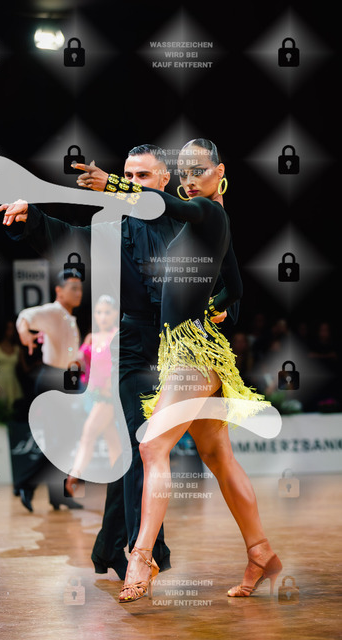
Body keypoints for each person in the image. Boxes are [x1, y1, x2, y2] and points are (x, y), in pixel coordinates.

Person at [0, 144, 237, 578]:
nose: (133, 183)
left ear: (164, 180)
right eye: (128, 175)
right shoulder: (112, 229)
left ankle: (111, 545)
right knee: (143, 441)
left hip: (184, 349)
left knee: (196, 453)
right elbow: (69, 238)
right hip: (134, 349)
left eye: (143, 176)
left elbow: (227, 282)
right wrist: (31, 217)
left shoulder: (192, 217)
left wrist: (221, 307)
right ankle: (143, 555)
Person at [83, 138, 282, 602]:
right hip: (193, 348)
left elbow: (164, 204)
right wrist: (213, 307)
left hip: (192, 354)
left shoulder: (207, 211)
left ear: (220, 172)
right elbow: (235, 287)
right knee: (218, 457)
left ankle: (141, 556)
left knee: (152, 445)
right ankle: (260, 553)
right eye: (185, 172)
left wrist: (113, 184)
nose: (190, 180)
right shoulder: (213, 221)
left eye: (199, 170)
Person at [13, 269, 84, 512]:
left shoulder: (68, 317)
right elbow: (25, 316)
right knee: (64, 440)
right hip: (51, 380)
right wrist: (24, 332)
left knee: (63, 440)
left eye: (80, 288)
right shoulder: (54, 311)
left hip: (64, 380)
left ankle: (57, 495)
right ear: (59, 291)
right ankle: (26, 484)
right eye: (73, 288)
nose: (78, 293)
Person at [65, 294, 120, 498]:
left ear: (115, 314)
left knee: (88, 434)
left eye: (107, 312)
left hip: (110, 397)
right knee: (112, 441)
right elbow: (77, 361)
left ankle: (74, 475)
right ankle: (121, 487)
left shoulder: (118, 335)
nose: (103, 316)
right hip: (95, 396)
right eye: (99, 312)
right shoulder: (91, 338)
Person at [0, 320, 26, 410]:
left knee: (13, 408)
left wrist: (37, 364)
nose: (11, 331)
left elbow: (25, 369)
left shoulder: (18, 349)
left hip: (13, 383)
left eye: (13, 329)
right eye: (9, 328)